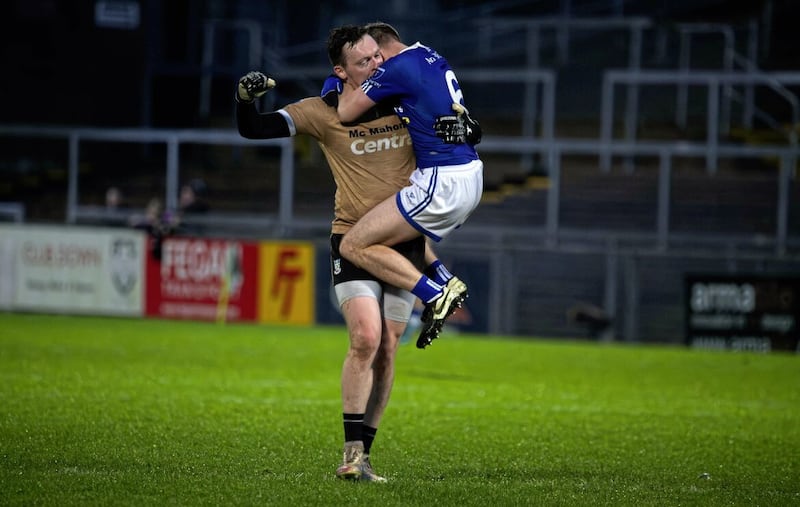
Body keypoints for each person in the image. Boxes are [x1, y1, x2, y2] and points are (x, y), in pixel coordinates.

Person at [235, 25, 473, 482]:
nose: (376, 65)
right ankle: (349, 454)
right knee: (365, 338)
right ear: (340, 71)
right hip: (353, 241)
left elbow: (451, 117)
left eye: (376, 57)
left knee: (387, 351)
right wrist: (244, 101)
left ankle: (365, 456)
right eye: (364, 62)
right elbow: (254, 129)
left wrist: (467, 127)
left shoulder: (399, 100)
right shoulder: (323, 112)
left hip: (402, 243)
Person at [336, 22, 484, 349]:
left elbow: (345, 112)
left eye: (374, 56)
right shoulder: (427, 55)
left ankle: (435, 295)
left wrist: (342, 78)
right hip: (467, 172)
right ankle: (444, 279)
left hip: (442, 180)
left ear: (383, 48)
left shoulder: (397, 67)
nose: (373, 64)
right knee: (392, 225)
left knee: (353, 245)